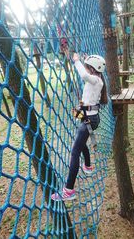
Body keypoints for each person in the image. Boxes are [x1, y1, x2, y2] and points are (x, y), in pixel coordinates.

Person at [51, 53, 108, 201]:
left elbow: (83, 75)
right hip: (89, 116)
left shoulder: (95, 79)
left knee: (75, 152)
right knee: (81, 142)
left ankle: (68, 191)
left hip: (89, 118)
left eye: (88, 67)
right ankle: (88, 166)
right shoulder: (98, 79)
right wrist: (85, 59)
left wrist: (76, 60)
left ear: (92, 69)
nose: (87, 69)